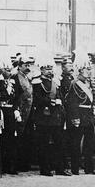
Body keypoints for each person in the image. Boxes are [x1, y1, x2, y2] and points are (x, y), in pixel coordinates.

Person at [32, 47, 71, 177]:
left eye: (50, 68)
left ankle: (60, 167)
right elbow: (37, 99)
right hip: (43, 116)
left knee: (59, 142)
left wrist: (59, 101)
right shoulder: (37, 82)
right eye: (47, 68)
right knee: (43, 144)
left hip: (55, 116)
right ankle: (45, 168)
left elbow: (59, 94)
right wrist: (51, 102)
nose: (49, 70)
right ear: (41, 69)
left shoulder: (55, 82)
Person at [65, 51, 95, 176]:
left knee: (90, 143)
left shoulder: (89, 83)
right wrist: (75, 118)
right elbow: (72, 103)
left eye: (89, 68)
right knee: (76, 143)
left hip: (89, 116)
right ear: (80, 71)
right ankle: (75, 168)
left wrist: (94, 110)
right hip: (80, 115)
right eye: (87, 69)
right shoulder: (75, 84)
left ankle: (89, 168)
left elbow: (92, 100)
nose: (89, 71)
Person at [0, 54, 18, 175]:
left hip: (11, 111)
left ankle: (11, 165)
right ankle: (1, 166)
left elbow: (17, 96)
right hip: (1, 111)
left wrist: (16, 108)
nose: (9, 71)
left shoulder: (13, 81)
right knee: (1, 139)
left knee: (11, 139)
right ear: (0, 70)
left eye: (10, 69)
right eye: (6, 69)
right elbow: (2, 96)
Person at [13, 55, 36, 172]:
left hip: (28, 111)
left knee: (26, 138)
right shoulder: (16, 78)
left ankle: (24, 163)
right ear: (19, 66)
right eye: (25, 65)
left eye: (29, 65)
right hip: (19, 111)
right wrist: (16, 110)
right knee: (18, 138)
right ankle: (17, 164)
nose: (28, 67)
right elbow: (15, 95)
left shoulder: (27, 78)